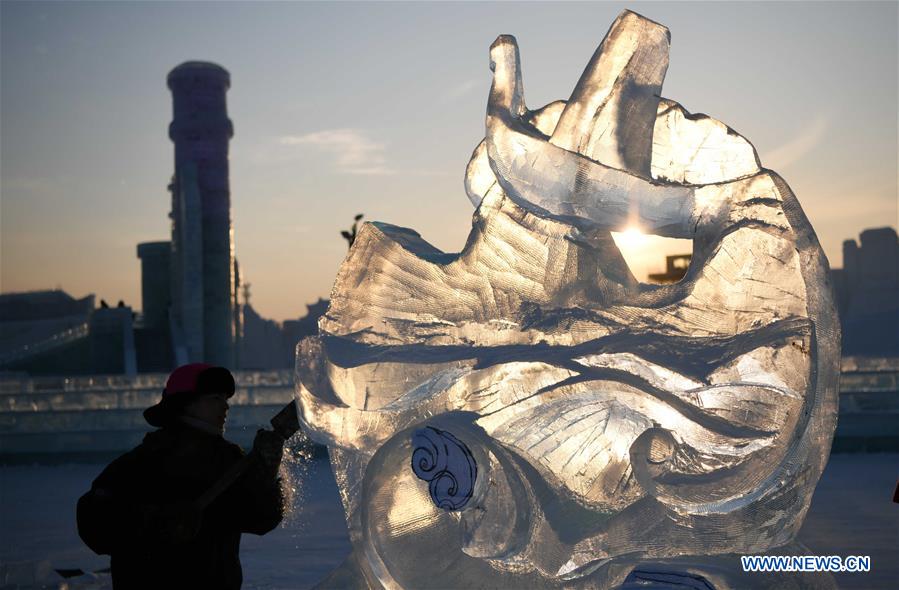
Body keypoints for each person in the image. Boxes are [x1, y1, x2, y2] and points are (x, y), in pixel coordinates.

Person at [77, 363, 286, 589]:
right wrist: (153, 520)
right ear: (185, 402)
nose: (226, 406)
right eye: (215, 398)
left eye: (226, 399)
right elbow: (94, 524)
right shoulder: (144, 461)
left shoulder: (229, 461)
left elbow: (260, 520)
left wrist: (267, 473)